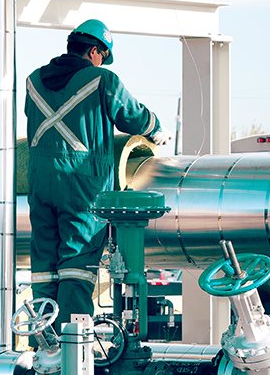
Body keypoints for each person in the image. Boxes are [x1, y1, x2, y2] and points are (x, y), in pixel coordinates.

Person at [25, 19, 172, 332]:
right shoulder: (102, 79)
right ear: (94, 51)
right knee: (76, 263)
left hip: (39, 182)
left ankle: (43, 344)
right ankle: (72, 346)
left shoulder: (33, 81)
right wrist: (156, 129)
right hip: (81, 184)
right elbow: (131, 116)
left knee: (44, 264)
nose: (102, 61)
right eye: (102, 55)